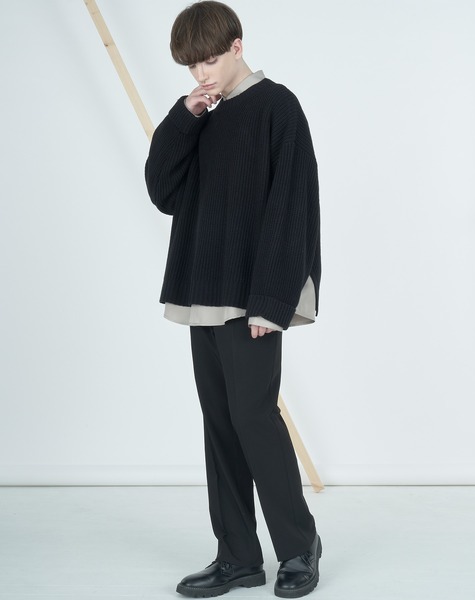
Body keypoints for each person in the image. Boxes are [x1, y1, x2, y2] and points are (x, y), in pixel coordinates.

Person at [145, 1, 322, 597]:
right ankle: (238, 557)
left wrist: (272, 301)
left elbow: (292, 207)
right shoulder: (202, 114)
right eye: (192, 66)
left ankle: (298, 546)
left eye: (210, 61)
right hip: (204, 289)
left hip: (252, 296)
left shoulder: (277, 107)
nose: (202, 74)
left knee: (253, 418)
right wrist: (184, 116)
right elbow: (163, 192)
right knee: (220, 422)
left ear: (238, 47)